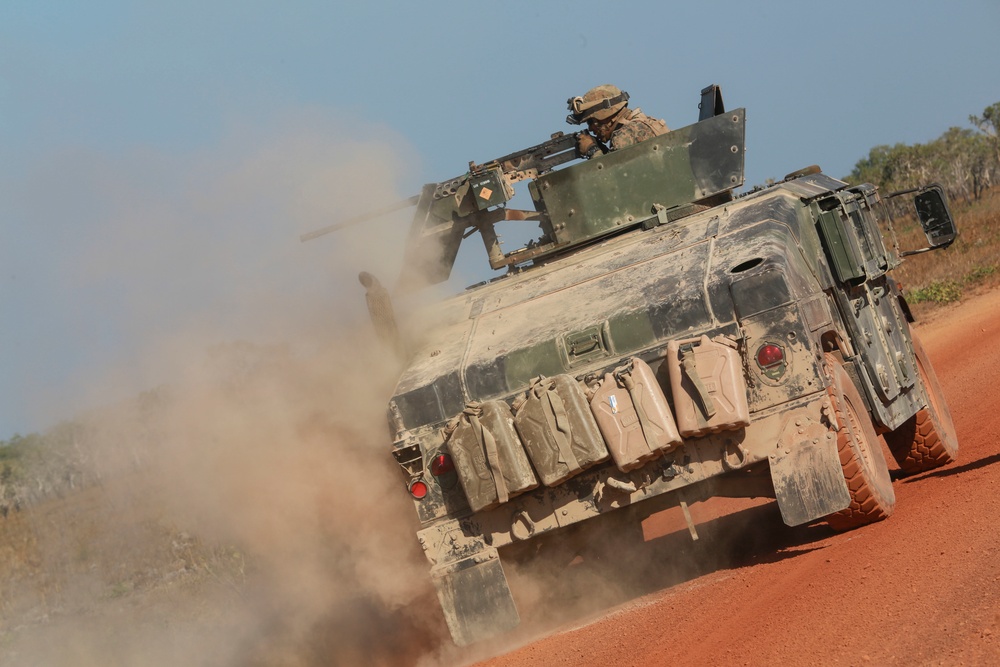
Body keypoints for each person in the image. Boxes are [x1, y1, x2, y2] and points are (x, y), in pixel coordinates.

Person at [565, 84, 669, 159]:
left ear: (604, 116)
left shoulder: (624, 135)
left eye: (590, 122)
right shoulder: (639, 124)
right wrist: (603, 151)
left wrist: (592, 150)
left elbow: (611, 179)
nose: (590, 128)